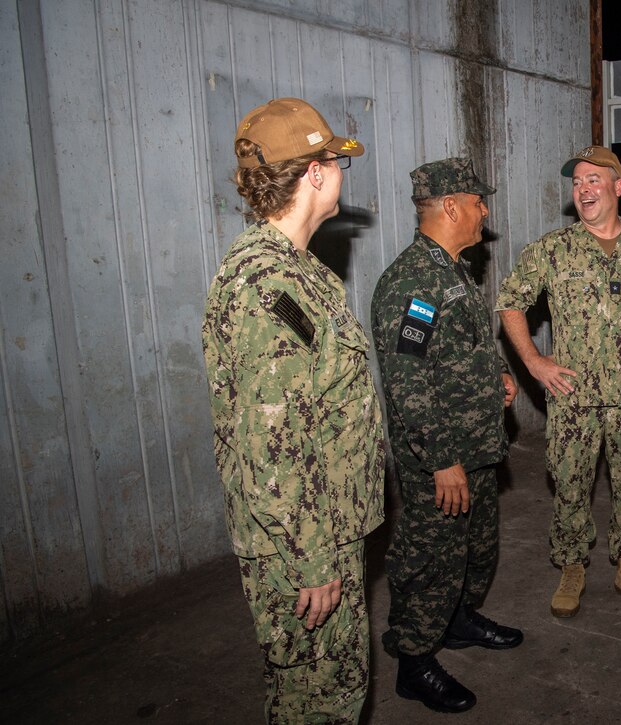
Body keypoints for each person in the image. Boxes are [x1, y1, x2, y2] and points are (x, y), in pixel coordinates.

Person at [202, 97, 384, 723]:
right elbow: (272, 445)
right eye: (336, 161)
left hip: (324, 526)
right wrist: (311, 557)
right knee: (318, 703)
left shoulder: (300, 272)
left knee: (334, 692)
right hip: (302, 543)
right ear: (313, 173)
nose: (341, 173)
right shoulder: (265, 286)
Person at [496, 145, 621, 618]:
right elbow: (510, 304)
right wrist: (535, 362)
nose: (583, 190)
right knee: (570, 484)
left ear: (617, 187)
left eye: (592, 180)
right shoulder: (551, 250)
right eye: (576, 182)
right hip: (574, 398)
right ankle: (572, 567)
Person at [371, 157, 522, 714]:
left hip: (475, 444)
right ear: (452, 206)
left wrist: (497, 377)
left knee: (474, 550)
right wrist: (440, 460)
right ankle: (414, 660)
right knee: (431, 557)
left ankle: (456, 621)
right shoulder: (414, 283)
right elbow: (407, 380)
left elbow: (459, 350)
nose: (485, 211)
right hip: (443, 455)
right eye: (479, 202)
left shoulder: (453, 268)